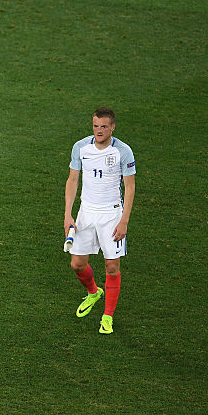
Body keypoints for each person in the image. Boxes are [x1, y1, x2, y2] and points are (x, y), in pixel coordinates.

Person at [64, 107, 136, 334]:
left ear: (112, 127)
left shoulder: (123, 152)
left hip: (111, 214)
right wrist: (67, 214)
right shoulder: (80, 147)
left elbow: (130, 186)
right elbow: (72, 180)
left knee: (112, 266)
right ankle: (94, 292)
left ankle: (107, 317)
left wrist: (124, 221)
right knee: (77, 264)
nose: (99, 131)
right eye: (96, 126)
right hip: (87, 213)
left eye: (104, 126)